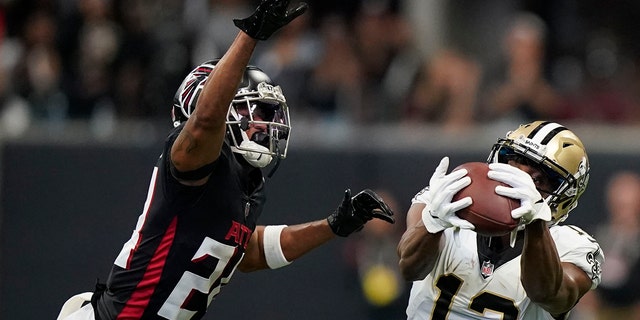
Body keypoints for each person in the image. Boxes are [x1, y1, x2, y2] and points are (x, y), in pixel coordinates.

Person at [57, 1, 395, 319]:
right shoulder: (191, 157)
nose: (264, 124)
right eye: (254, 111)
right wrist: (250, 36)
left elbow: (248, 250)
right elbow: (205, 122)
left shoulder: (247, 183)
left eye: (267, 113)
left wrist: (332, 225)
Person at [397, 120, 603, 319]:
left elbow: (550, 296)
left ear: (564, 197)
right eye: (512, 169)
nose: (515, 185)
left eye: (536, 180)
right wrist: (433, 221)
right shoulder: (449, 201)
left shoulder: (573, 245)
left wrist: (536, 222)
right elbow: (410, 267)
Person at [573, 171, 640, 319]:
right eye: (620, 204)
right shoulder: (593, 237)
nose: (624, 211)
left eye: (628, 205)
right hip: (596, 306)